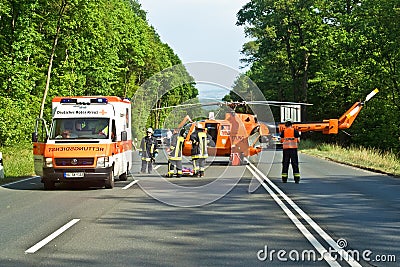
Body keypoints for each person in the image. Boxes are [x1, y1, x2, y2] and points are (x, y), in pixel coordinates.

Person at [280, 119, 301, 183]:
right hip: (293, 149)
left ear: (286, 125)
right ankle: (297, 179)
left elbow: (281, 140)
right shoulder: (295, 131)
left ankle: (284, 179)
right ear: (291, 125)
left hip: (286, 150)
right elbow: (298, 140)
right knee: (295, 164)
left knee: (285, 164)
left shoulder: (283, 131)